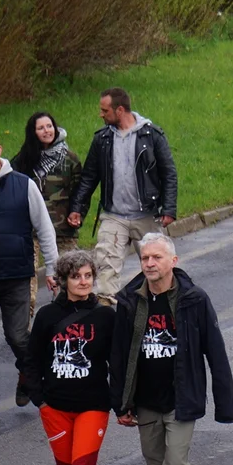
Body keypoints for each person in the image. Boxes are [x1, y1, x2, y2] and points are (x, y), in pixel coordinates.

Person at [109, 233, 233, 465]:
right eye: (145, 258)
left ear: (173, 262)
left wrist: (224, 405)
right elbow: (119, 355)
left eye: (156, 258)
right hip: (146, 402)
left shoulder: (194, 299)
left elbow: (215, 351)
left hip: (181, 400)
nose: (150, 263)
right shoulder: (130, 301)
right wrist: (121, 403)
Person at [23, 250, 115, 465]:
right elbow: (31, 360)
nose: (83, 282)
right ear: (63, 280)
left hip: (93, 407)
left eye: (88, 276)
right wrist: (40, 401)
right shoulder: (47, 316)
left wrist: (120, 400)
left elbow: (117, 362)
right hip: (56, 409)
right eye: (76, 276)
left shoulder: (106, 317)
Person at [0, 128, 59, 424]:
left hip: (16, 274)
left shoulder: (23, 185)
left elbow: (44, 229)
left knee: (17, 336)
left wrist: (53, 269)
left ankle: (28, 374)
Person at [68, 87, 177, 304]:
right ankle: (106, 315)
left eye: (105, 110)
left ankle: (164, 308)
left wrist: (169, 208)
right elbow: (89, 176)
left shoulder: (152, 135)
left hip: (147, 214)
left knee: (157, 267)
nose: (101, 114)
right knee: (105, 269)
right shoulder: (102, 139)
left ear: (119, 110)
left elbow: (169, 173)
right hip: (114, 215)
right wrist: (77, 208)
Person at [11, 112, 83, 317]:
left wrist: (78, 212)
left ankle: (73, 319)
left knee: (71, 276)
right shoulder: (23, 160)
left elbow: (81, 192)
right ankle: (24, 325)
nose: (46, 131)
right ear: (33, 132)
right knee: (26, 279)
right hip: (30, 230)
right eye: (41, 128)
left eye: (49, 126)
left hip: (63, 228)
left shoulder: (70, 159)